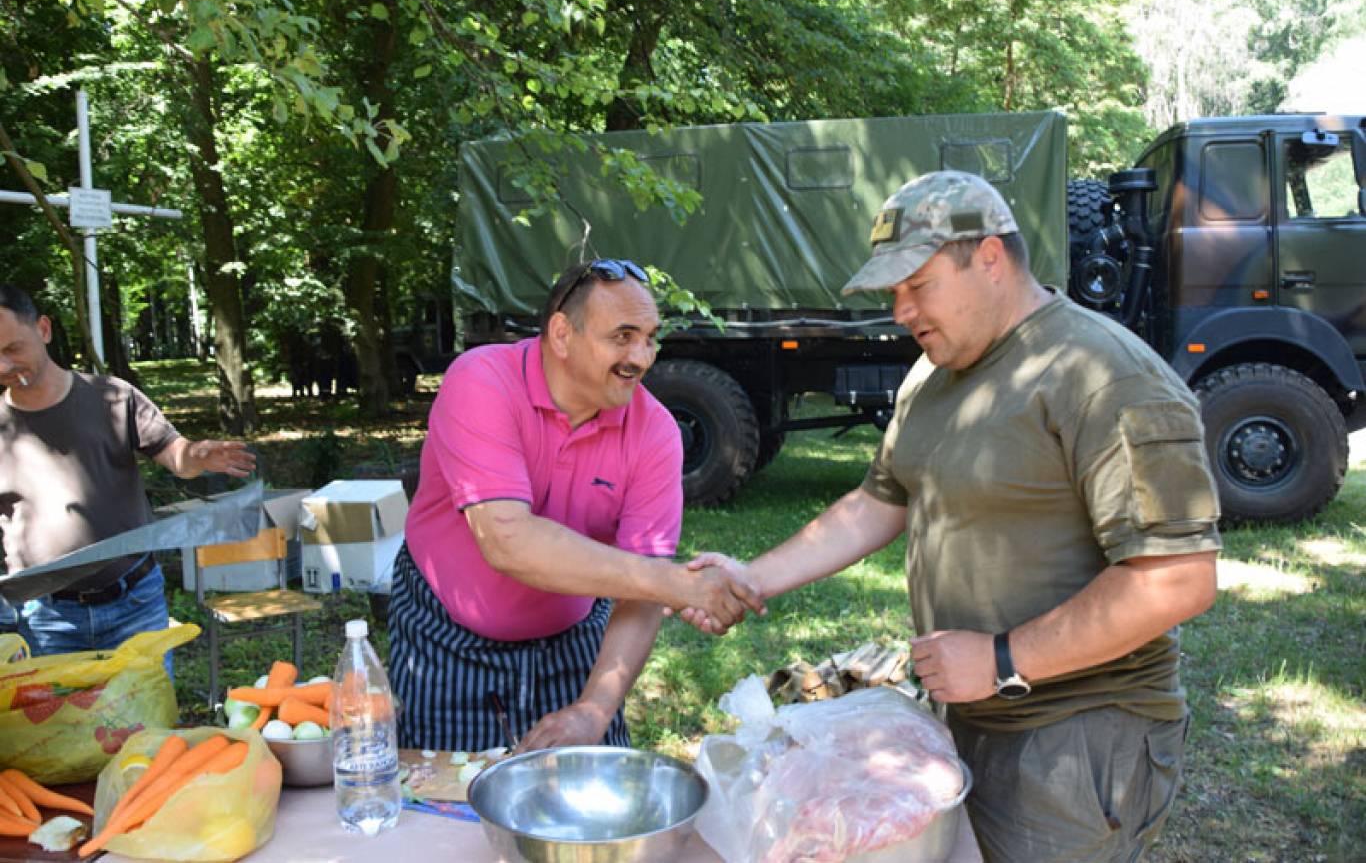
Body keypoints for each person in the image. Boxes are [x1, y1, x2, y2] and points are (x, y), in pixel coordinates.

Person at [683, 172, 1222, 862]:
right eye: (892, 292)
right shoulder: (934, 372)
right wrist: (750, 577)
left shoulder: (1105, 374)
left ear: (990, 258)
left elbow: (1175, 580)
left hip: (1077, 732)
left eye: (918, 285)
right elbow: (881, 500)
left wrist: (1001, 659)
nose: (901, 310)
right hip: (967, 714)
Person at [390, 258, 764, 754]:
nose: (642, 357)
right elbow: (509, 542)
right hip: (447, 639)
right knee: (446, 806)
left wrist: (594, 709)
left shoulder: (655, 433)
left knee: (588, 808)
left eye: (650, 337)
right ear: (562, 335)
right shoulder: (482, 381)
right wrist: (682, 584)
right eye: (623, 336)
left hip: (574, 642)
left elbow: (640, 590)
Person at [0, 284, 256, 656]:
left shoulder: (113, 397)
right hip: (43, 618)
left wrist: (196, 456)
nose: (4, 366)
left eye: (12, 349)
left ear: (43, 329)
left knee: (145, 714)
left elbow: (176, 456)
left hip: (134, 603)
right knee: (58, 716)